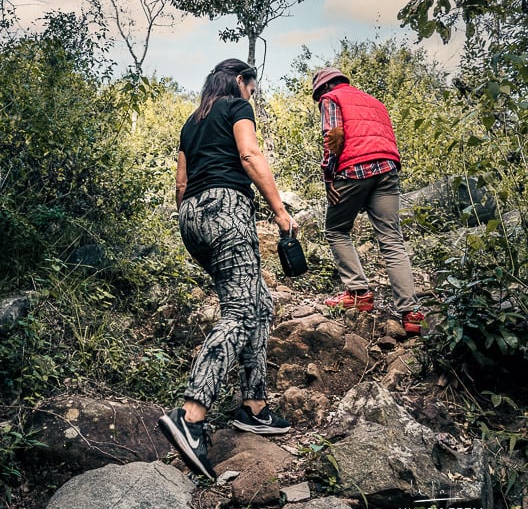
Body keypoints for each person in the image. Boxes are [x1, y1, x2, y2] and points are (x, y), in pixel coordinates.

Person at [158, 58, 296, 481]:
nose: (251, 95)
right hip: (226, 211)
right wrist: (280, 212)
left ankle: (253, 407)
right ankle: (191, 415)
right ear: (240, 81)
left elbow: (180, 185)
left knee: (260, 303)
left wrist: (199, 219)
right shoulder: (237, 107)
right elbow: (250, 155)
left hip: (191, 218)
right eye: (251, 88)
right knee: (239, 311)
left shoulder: (191, 121)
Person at [311, 67, 425, 335]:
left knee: (336, 230)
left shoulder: (331, 99)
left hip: (353, 170)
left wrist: (329, 177)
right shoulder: (375, 102)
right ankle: (411, 313)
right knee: (392, 239)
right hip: (387, 168)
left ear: (324, 89)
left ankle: (359, 292)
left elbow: (333, 138)